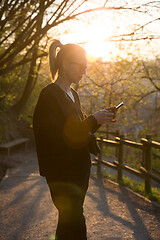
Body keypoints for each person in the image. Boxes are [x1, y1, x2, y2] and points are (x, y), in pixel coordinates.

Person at [33, 39, 116, 240]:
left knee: (69, 221)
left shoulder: (74, 95)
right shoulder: (49, 96)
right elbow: (56, 137)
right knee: (75, 221)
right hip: (62, 173)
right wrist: (91, 120)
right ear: (65, 63)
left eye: (86, 67)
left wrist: (98, 119)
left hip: (78, 170)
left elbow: (76, 132)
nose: (84, 71)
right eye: (80, 66)